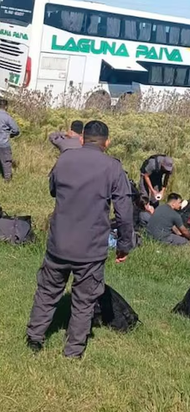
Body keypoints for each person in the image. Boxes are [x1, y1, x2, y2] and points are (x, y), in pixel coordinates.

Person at [26, 120, 134, 358]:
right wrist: (124, 245)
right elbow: (125, 212)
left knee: (47, 291)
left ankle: (34, 338)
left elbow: (53, 189)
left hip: (59, 242)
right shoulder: (113, 168)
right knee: (84, 301)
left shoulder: (64, 159)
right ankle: (73, 351)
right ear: (107, 142)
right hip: (90, 248)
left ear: (82, 139)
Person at [0, 97, 20, 182]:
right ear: (6, 107)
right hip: (3, 143)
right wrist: (11, 134)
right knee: (6, 161)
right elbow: (16, 130)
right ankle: (7, 179)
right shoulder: (7, 117)